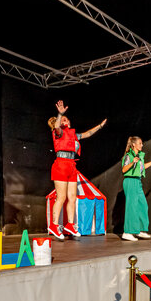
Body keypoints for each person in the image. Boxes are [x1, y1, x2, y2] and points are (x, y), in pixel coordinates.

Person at [47, 101, 106, 239]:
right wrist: (60, 113)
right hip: (61, 165)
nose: (66, 120)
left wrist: (100, 126)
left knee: (72, 198)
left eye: (67, 118)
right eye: (63, 119)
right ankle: (54, 225)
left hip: (71, 166)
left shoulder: (73, 135)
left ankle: (70, 225)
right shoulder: (58, 133)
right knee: (61, 197)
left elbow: (88, 134)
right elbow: (56, 127)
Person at [119, 137, 151, 242]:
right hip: (130, 181)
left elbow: (143, 167)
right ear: (134, 144)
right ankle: (127, 232)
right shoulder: (128, 156)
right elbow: (124, 169)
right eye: (140, 143)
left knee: (142, 205)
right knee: (132, 207)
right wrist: (132, 162)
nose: (142, 145)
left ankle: (139, 230)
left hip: (137, 182)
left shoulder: (139, 156)